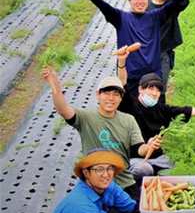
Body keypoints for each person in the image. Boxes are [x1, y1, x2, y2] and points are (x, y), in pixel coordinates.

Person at [71, 0, 195, 98]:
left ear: (147, 0)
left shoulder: (155, 16)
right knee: (131, 112)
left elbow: (174, 3)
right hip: (130, 76)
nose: (140, 2)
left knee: (154, 112)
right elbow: (99, 2)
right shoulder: (120, 18)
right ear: (129, 0)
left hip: (153, 76)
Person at [43, 66, 160, 199]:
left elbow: (139, 148)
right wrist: (55, 84)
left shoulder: (128, 120)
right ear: (98, 94)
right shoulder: (86, 118)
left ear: (121, 98)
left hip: (123, 181)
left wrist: (149, 147)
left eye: (116, 94)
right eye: (107, 93)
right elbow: (63, 109)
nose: (111, 98)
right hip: (95, 183)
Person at [114, 47, 195, 180]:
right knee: (143, 170)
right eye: (150, 89)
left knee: (180, 169)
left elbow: (187, 111)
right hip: (134, 158)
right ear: (140, 89)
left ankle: (157, 179)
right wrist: (121, 62)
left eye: (158, 90)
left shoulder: (162, 109)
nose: (154, 93)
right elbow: (122, 83)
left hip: (158, 158)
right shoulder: (130, 105)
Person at [43, 148, 181, 213]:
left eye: (110, 169)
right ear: (86, 173)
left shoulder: (109, 186)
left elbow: (134, 212)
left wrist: (160, 200)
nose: (106, 175)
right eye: (99, 170)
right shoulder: (80, 204)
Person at [146, 0, 194, 95]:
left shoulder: (171, 6)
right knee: (143, 87)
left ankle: (159, 114)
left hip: (163, 54)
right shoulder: (145, 5)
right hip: (145, 52)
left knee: (160, 90)